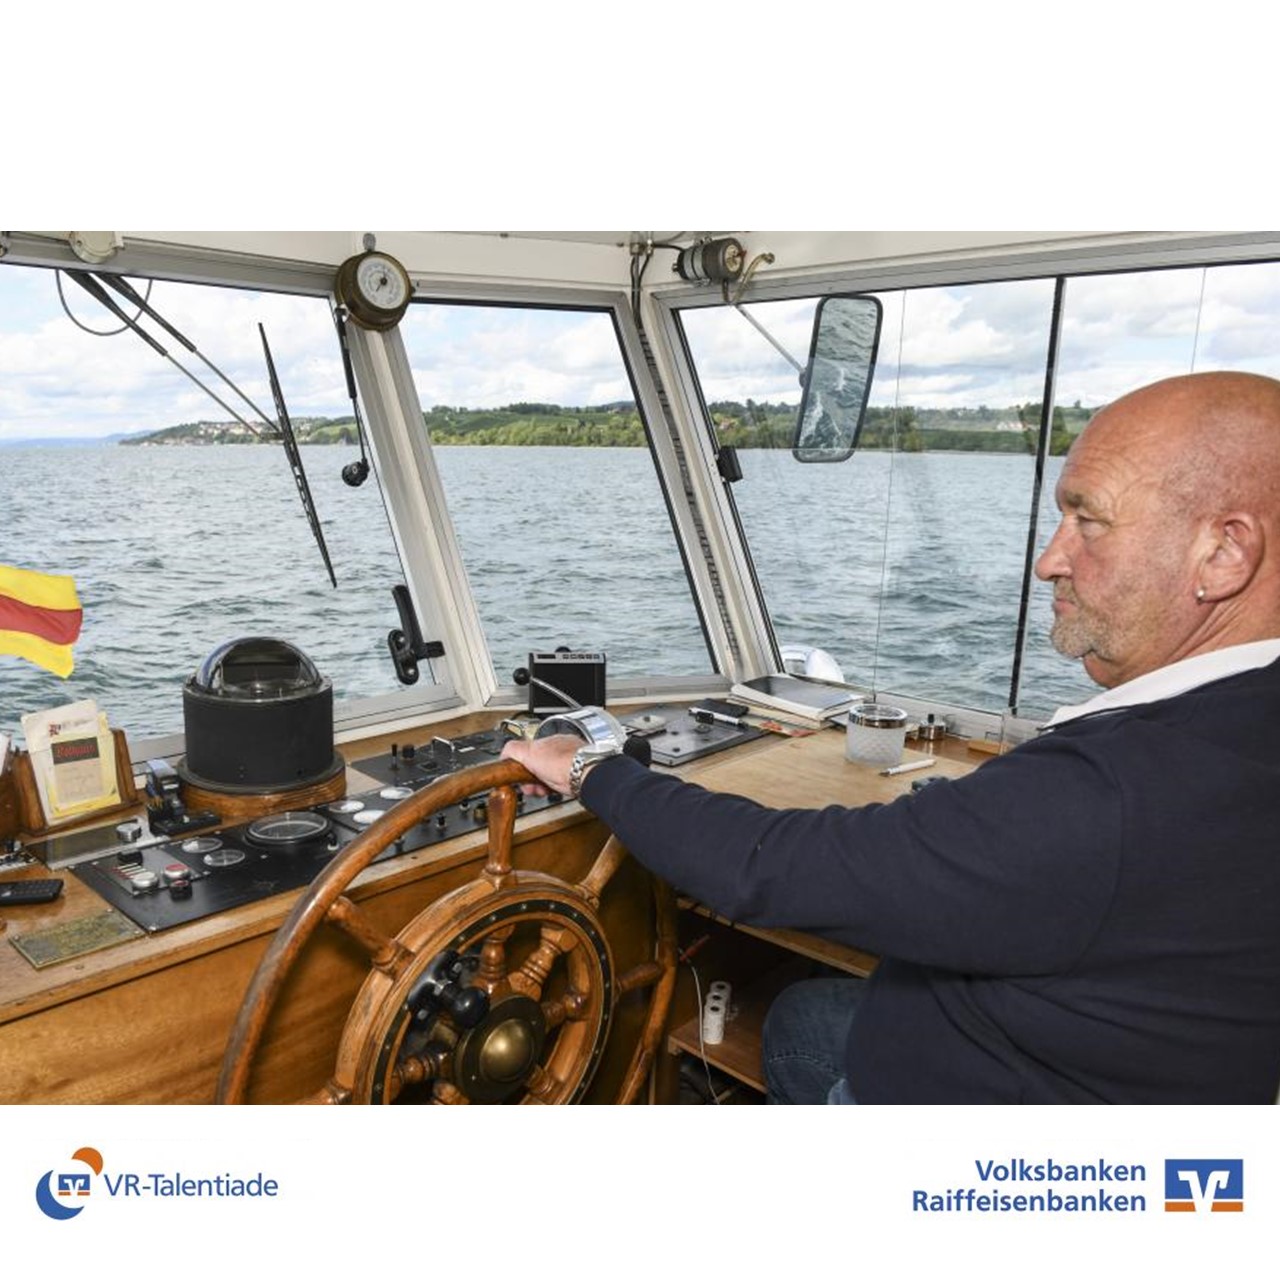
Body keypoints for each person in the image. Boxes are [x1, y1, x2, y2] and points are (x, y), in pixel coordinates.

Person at [502, 371, 1280, 1104]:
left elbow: (763, 868)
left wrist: (592, 767)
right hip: (1108, 1072)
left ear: (1224, 554)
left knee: (797, 1025)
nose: (1050, 561)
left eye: (1090, 520)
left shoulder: (1110, 793)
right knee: (804, 1013)